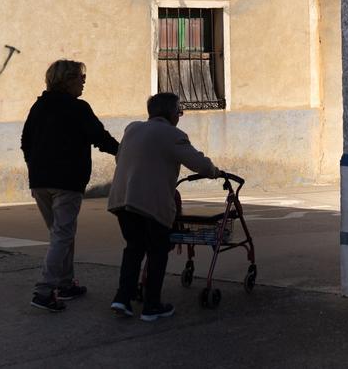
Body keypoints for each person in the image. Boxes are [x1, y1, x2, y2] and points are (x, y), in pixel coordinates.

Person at [106, 92, 220, 321]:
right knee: (157, 251)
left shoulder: (132, 129)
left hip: (122, 200)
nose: (180, 115)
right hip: (150, 203)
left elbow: (121, 159)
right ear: (171, 113)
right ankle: (152, 306)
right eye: (179, 111)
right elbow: (199, 164)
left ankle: (122, 298)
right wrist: (215, 171)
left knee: (134, 248)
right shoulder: (173, 135)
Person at [20, 59, 120, 312]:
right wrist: (123, 152)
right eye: (80, 77)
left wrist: (35, 168)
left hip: (40, 181)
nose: (84, 82)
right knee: (62, 235)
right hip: (67, 181)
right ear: (66, 80)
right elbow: (99, 137)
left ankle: (65, 284)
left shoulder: (39, 106)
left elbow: (25, 142)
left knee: (61, 234)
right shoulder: (78, 108)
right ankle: (44, 291)